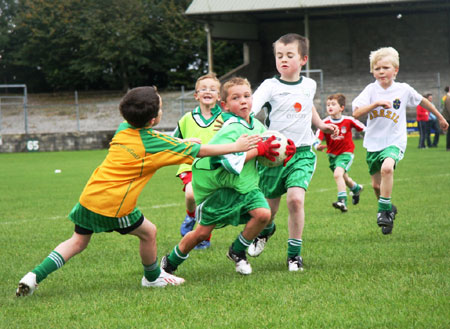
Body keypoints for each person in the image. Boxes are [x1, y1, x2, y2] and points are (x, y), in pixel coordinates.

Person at [16, 86, 261, 296]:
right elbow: (201, 152)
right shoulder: (155, 143)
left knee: (77, 241)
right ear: (153, 119)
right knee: (149, 233)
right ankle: (153, 278)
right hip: (115, 205)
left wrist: (186, 143)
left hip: (89, 197)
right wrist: (236, 146)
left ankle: (33, 276)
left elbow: (157, 138)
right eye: (161, 108)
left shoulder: (123, 128)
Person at [161, 77, 295, 276]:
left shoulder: (259, 127)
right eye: (236, 98)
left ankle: (237, 251)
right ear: (224, 105)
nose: (243, 101)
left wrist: (280, 155)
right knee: (202, 233)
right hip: (222, 190)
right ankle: (169, 262)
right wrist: (258, 150)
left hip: (248, 187)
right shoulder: (229, 128)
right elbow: (227, 162)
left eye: (247, 96)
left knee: (264, 215)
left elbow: (265, 155)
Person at [248, 33, 339, 272]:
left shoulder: (310, 84)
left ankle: (294, 256)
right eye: (279, 56)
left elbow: (308, 107)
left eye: (290, 55)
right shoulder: (269, 86)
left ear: (303, 59)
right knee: (268, 212)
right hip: (272, 157)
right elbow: (250, 110)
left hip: (302, 153)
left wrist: (320, 125)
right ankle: (266, 230)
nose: (283, 60)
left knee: (296, 200)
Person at [352, 47, 449, 235]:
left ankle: (383, 212)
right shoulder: (370, 90)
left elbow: (423, 101)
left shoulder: (403, 89)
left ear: (395, 70)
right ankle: (388, 209)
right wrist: (375, 104)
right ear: (372, 71)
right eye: (377, 68)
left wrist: (440, 117)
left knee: (387, 168)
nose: (381, 72)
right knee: (376, 186)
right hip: (373, 143)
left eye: (385, 68)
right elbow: (356, 112)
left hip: (394, 141)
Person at [174, 73, 223, 249]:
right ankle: (190, 215)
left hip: (213, 168)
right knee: (191, 194)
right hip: (190, 165)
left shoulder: (225, 119)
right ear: (196, 95)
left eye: (212, 89)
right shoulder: (187, 119)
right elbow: (174, 140)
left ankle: (204, 238)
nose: (207, 91)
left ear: (219, 96)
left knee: (207, 204)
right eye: (203, 89)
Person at [314, 93, 366, 212]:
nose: (330, 107)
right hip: (332, 156)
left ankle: (342, 201)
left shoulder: (348, 120)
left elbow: (364, 129)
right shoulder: (324, 123)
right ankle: (356, 188)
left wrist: (370, 139)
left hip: (346, 154)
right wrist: (317, 146)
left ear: (342, 108)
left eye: (333, 104)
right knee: (344, 178)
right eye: (328, 105)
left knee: (338, 174)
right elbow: (317, 137)